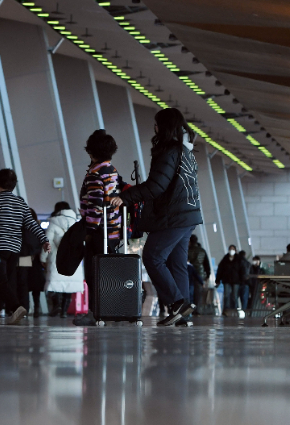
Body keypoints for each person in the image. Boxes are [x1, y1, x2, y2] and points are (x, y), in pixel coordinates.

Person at [111, 108, 203, 327]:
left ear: (164, 126)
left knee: (153, 256)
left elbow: (156, 186)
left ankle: (178, 303)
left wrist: (126, 197)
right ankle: (183, 314)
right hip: (188, 215)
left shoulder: (169, 151)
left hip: (174, 215)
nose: (154, 127)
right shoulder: (186, 151)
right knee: (177, 263)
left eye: (156, 124)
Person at [0, 169, 50, 325]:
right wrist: (44, 239)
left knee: (1, 281)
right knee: (3, 281)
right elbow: (32, 223)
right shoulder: (20, 202)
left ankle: (17, 307)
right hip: (15, 249)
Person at [74, 130, 123, 326]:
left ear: (91, 151)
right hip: (113, 230)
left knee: (93, 274)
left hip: (99, 232)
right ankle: (109, 311)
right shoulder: (112, 170)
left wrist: (89, 231)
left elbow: (95, 206)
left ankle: (95, 313)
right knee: (107, 274)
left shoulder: (95, 174)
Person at [42, 202, 84, 319]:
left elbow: (47, 243)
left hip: (57, 258)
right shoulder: (76, 223)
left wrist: (43, 258)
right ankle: (64, 311)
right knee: (69, 286)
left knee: (56, 284)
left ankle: (57, 306)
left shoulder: (53, 223)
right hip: (73, 259)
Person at [18, 208, 46, 317]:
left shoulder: (20, 228)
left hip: (24, 257)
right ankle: (37, 308)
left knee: (23, 284)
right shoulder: (37, 228)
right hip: (36, 259)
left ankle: (24, 308)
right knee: (36, 286)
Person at [216, 245, 246, 312]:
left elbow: (242, 270)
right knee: (226, 295)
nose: (231, 250)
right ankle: (226, 309)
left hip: (236, 280)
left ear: (235, 250)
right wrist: (218, 279)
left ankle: (235, 309)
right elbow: (220, 269)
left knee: (234, 296)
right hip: (226, 280)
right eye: (230, 249)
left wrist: (242, 280)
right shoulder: (225, 259)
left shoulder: (239, 259)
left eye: (233, 249)